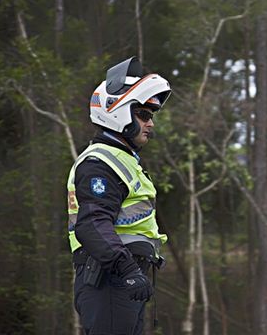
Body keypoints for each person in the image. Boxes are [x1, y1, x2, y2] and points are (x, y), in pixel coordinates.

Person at [66, 57, 171, 335]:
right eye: (144, 115)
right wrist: (128, 271)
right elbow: (92, 224)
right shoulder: (100, 162)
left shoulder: (121, 160)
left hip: (122, 279)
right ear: (118, 111)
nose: (151, 125)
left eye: (151, 117)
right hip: (110, 280)